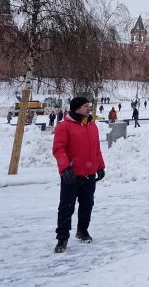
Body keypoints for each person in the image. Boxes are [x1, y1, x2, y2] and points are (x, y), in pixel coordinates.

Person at [52, 96, 106, 253]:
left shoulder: (92, 126)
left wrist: (100, 166)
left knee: (87, 205)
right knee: (66, 207)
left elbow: (97, 149)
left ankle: (82, 231)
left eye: (89, 106)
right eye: (85, 106)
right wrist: (65, 168)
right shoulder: (64, 127)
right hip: (72, 175)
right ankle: (62, 238)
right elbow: (59, 149)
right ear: (76, 108)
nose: (89, 108)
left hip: (89, 175)